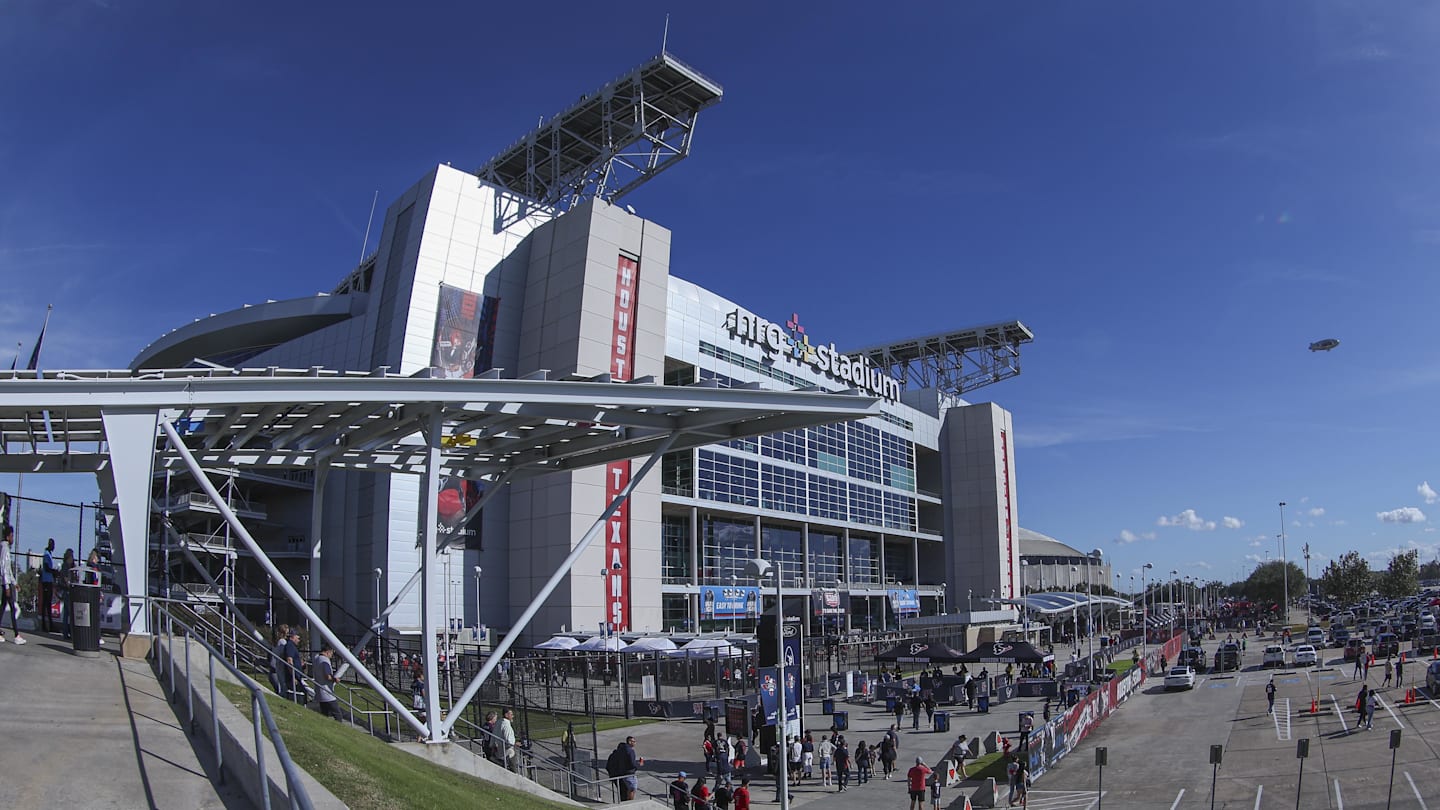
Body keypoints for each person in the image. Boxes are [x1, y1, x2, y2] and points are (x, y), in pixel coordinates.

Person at [0, 526, 25, 644]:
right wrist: (7, 585)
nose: (13, 538)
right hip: (6, 583)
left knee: (3, 607)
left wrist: (15, 583)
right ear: (7, 536)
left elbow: (8, 569)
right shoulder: (5, 548)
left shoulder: (5, 548)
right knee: (13, 607)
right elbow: (4, 568)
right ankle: (16, 635)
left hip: (8, 583)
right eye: (12, 535)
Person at [606, 735, 642, 801]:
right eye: (633, 741)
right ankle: (627, 803)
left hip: (615, 776)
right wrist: (638, 765)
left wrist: (611, 774)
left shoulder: (613, 755)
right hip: (623, 774)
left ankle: (623, 802)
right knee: (631, 789)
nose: (635, 743)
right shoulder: (629, 751)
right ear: (629, 742)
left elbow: (608, 766)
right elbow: (632, 764)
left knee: (622, 792)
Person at [312, 645, 341, 720]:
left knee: (324, 713)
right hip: (327, 692)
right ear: (328, 652)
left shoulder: (316, 658)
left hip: (319, 691)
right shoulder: (325, 660)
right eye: (331, 653)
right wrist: (335, 680)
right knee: (337, 714)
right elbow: (328, 676)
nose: (331, 656)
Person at [39, 538, 56, 633]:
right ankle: (45, 625)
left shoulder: (49, 554)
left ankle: (48, 624)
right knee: (46, 603)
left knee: (47, 603)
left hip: (48, 581)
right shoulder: (46, 554)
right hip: (46, 581)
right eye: (52, 545)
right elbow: (46, 568)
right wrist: (53, 571)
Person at [284, 630, 306, 703]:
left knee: (303, 692)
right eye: (298, 638)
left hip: (297, 675)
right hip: (293, 677)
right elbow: (289, 661)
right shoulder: (290, 646)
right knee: (301, 693)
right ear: (293, 637)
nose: (299, 640)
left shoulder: (292, 646)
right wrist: (293, 676)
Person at [269, 624, 291, 697]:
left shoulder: (275, 642)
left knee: (279, 687)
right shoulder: (282, 642)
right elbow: (283, 654)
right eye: (287, 633)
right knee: (282, 688)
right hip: (279, 667)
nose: (288, 634)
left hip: (275, 666)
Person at [58, 548, 75, 640]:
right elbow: (65, 578)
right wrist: (69, 585)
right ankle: (69, 632)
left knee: (66, 613)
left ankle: (66, 632)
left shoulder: (68, 566)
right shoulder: (66, 566)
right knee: (69, 612)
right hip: (67, 590)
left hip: (66, 591)